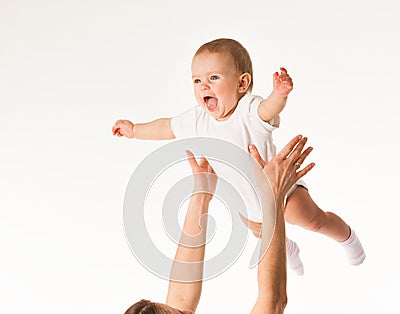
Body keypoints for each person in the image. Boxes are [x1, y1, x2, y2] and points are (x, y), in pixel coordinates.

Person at [111, 38, 365, 273]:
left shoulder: (248, 111)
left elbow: (268, 109)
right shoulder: (198, 119)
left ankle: (346, 236)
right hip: (247, 201)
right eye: (197, 81)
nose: (204, 86)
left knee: (311, 220)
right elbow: (166, 127)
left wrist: (279, 94)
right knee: (261, 232)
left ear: (242, 83)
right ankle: (288, 248)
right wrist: (135, 130)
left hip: (282, 192)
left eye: (213, 77)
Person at [106, 135, 315, 314]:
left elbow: (181, 296)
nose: (188, 312)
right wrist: (271, 196)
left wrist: (202, 195)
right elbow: (272, 301)